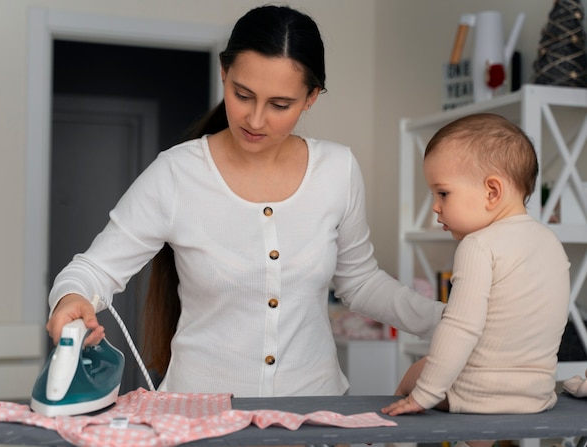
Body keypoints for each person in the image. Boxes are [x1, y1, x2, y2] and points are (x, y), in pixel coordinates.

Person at [46, 4, 444, 398]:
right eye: (242, 94)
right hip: (199, 416)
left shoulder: (337, 169)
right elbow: (94, 269)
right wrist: (71, 297)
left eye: (279, 105)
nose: (255, 120)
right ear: (224, 73)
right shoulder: (176, 173)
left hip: (314, 415)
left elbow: (359, 282)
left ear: (311, 98)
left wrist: (447, 322)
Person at [381, 113, 570, 446]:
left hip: (479, 397)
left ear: (492, 191)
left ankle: (389, 433)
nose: (436, 208)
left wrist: (422, 395)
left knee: (417, 372)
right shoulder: (549, 242)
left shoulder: (478, 245)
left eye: (442, 193)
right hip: (537, 396)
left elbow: (460, 327)